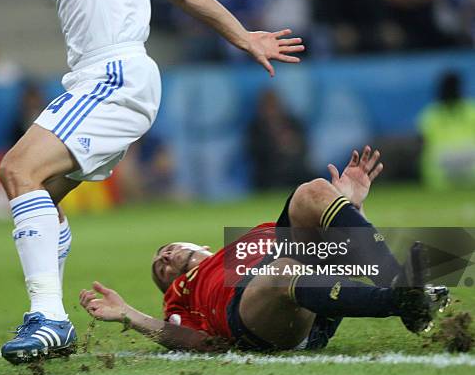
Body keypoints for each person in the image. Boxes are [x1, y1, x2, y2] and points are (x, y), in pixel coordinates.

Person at [0, 0, 305, 364]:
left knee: (17, 170)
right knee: (38, 191)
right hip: (92, 77)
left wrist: (243, 37)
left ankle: (48, 316)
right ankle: (52, 319)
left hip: (114, 75)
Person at [80, 146, 449, 352]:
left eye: (167, 249)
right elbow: (196, 341)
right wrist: (129, 314)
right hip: (253, 317)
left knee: (312, 191)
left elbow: (336, 252)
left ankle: (404, 288)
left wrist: (347, 205)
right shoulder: (182, 295)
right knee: (283, 269)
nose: (164, 259)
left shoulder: (254, 237)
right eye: (160, 269)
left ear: (204, 247)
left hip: (303, 280)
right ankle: (399, 301)